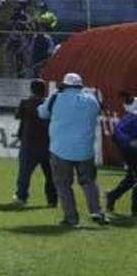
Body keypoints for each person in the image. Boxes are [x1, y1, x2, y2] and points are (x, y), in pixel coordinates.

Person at [38, 72, 107, 227]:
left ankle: (71, 218)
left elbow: (42, 113)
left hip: (60, 149)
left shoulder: (56, 98)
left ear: (64, 85)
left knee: (63, 185)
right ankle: (97, 211)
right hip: (85, 149)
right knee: (89, 182)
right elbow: (97, 111)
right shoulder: (91, 99)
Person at [13, 80, 57, 208]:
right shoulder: (49, 103)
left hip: (29, 143)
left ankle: (21, 197)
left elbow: (17, 115)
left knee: (24, 173)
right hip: (47, 142)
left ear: (31, 89)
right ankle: (52, 200)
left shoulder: (26, 103)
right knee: (50, 174)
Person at [105, 91, 137, 216]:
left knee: (131, 178)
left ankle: (112, 196)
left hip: (128, 149)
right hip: (130, 150)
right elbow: (116, 134)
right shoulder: (131, 118)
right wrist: (130, 142)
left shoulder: (130, 116)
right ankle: (135, 210)